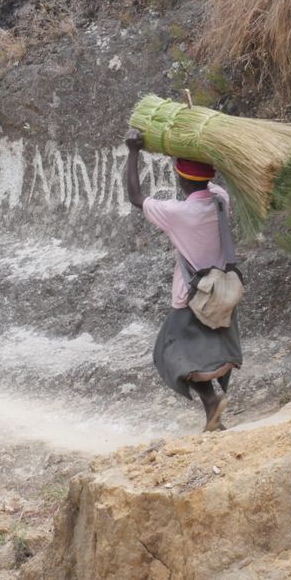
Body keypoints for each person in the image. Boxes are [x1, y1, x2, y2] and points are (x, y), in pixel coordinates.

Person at [124, 130, 243, 432]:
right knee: (214, 351)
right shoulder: (220, 201)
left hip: (191, 297)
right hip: (222, 291)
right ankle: (213, 417)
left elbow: (135, 197)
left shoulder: (178, 213)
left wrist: (133, 150)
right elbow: (208, 184)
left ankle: (211, 404)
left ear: (181, 181)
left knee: (172, 353)